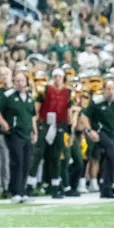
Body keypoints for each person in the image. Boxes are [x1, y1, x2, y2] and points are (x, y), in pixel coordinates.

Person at [0, 69, 38, 204]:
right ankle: (15, 191)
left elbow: (32, 116)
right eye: (17, 81)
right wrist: (4, 123)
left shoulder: (29, 98)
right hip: (15, 133)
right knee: (17, 161)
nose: (19, 83)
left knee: (26, 162)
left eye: (22, 80)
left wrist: (34, 131)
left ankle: (22, 191)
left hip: (27, 133)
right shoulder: (8, 95)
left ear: (26, 82)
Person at [80, 80, 114, 199]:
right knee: (111, 147)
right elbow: (84, 115)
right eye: (108, 89)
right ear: (103, 90)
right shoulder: (96, 102)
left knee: (109, 160)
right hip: (99, 132)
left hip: (113, 134)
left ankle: (106, 190)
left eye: (113, 89)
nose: (110, 92)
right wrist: (89, 130)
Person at [38, 68, 74, 199]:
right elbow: (38, 108)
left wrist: (70, 128)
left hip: (60, 126)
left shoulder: (69, 92)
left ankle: (56, 185)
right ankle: (38, 184)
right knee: (41, 155)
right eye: (55, 76)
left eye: (59, 76)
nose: (57, 78)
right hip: (46, 125)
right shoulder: (46, 90)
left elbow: (69, 111)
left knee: (57, 157)